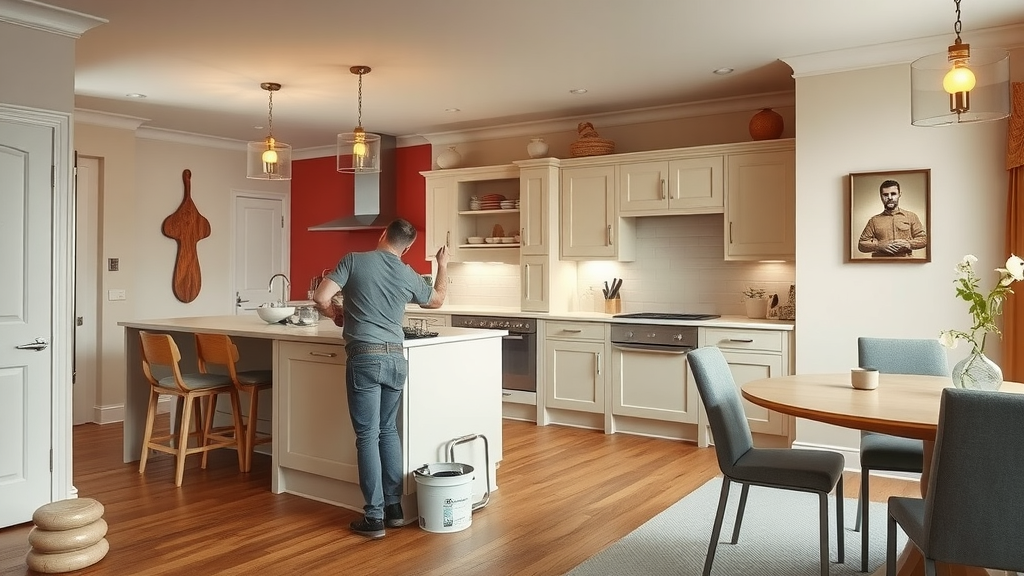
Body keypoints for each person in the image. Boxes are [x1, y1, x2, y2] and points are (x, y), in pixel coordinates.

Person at [312, 218, 449, 538]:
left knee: (368, 436)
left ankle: (373, 517)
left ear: (383, 234)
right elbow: (438, 299)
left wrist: (336, 314)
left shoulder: (354, 261)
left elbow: (321, 297)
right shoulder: (408, 273)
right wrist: (442, 265)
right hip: (396, 360)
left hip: (365, 357)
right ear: (408, 247)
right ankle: (394, 508)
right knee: (388, 430)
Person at [857, 179, 927, 257]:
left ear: (899, 194)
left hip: (906, 265)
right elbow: (861, 244)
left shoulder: (911, 216)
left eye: (893, 194)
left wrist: (909, 244)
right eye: (885, 195)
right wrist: (879, 246)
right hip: (880, 265)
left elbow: (923, 239)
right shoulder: (874, 221)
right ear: (881, 196)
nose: (889, 197)